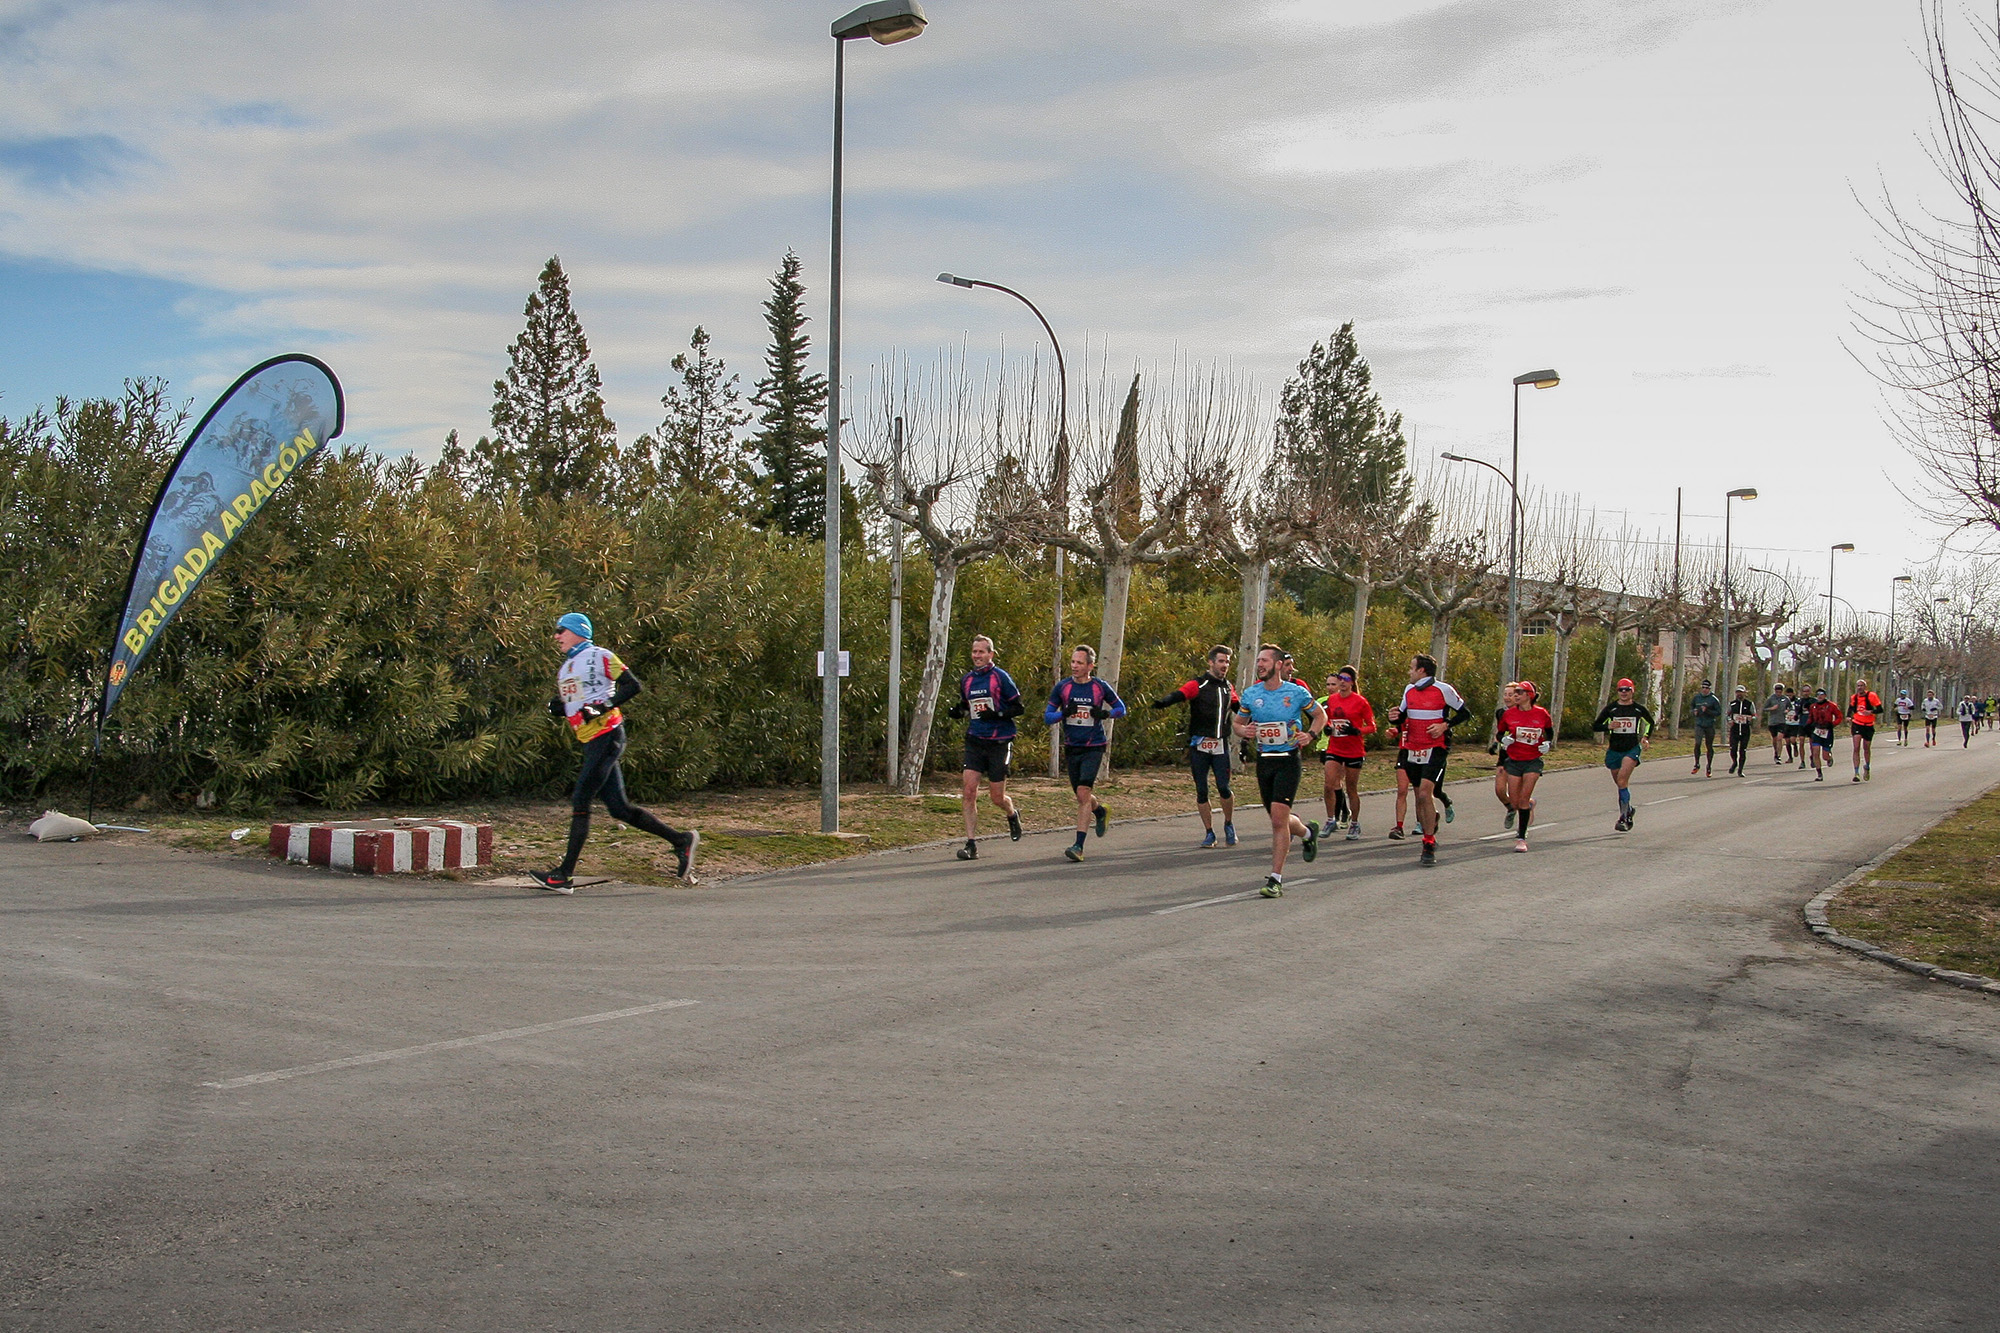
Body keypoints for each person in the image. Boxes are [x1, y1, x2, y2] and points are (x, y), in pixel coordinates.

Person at [532, 613, 699, 893]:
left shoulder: (600, 655)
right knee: (619, 809)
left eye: (561, 630)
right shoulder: (566, 668)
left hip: (607, 736)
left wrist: (605, 706)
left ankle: (563, 876)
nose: (556, 636)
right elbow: (577, 705)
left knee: (581, 799)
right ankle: (681, 841)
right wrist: (559, 708)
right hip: (591, 741)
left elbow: (633, 685)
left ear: (578, 632)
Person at [1233, 644, 1324, 896]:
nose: (1260, 664)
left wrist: (1311, 735)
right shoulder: (1251, 694)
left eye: (1264, 660)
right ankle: (1307, 832)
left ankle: (1275, 879)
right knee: (1280, 819)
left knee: (1277, 820)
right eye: (1258, 661)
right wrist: (1245, 731)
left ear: (1279, 665)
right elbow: (1238, 723)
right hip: (1264, 760)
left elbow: (1320, 715)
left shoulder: (1296, 693)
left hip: (1288, 760)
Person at [946, 635, 1025, 861]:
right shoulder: (967, 680)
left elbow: (1019, 708)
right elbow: (965, 706)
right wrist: (956, 712)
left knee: (996, 797)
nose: (977, 656)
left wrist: (997, 714)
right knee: (969, 791)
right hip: (975, 740)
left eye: (981, 652)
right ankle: (971, 844)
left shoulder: (1000, 678)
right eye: (974, 652)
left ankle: (1011, 813)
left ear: (991, 654)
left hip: (999, 741)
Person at [1152, 645, 1240, 848]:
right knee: (1202, 790)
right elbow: (1180, 694)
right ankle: (1209, 832)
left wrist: (1255, 715)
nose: (1224, 665)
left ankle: (1228, 823)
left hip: (1220, 744)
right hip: (1200, 745)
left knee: (1224, 787)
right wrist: (1162, 703)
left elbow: (1238, 707)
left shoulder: (1228, 686)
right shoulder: (1198, 684)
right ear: (1210, 662)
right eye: (1221, 661)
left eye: (1227, 662)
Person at [1044, 645, 1126, 862]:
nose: (1074, 666)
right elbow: (1048, 716)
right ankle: (1099, 811)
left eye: (1079, 663)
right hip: (1073, 747)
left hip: (1094, 745)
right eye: (1073, 662)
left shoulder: (1100, 687)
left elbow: (1121, 709)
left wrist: (1105, 714)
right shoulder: (1063, 688)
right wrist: (1064, 713)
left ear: (1090, 665)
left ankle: (1078, 845)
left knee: (1083, 793)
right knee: (1081, 796)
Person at [1398, 653, 1472, 867]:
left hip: (1436, 747)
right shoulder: (1409, 690)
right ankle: (1431, 824)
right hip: (1412, 747)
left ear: (1422, 670)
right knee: (1420, 797)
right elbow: (1402, 716)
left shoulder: (1444, 689)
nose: (1409, 671)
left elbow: (1464, 713)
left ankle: (1428, 843)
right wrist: (1394, 717)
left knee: (1424, 793)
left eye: (1412, 667)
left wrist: (1444, 725)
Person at [1316, 665, 1376, 842]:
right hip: (1335, 748)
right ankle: (1330, 819)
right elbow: (1325, 719)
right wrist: (1327, 728)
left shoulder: (1360, 701)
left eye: (1346, 680)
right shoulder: (1332, 700)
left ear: (1352, 683)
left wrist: (1356, 730)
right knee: (1329, 784)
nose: (1342, 682)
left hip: (1354, 750)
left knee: (1351, 789)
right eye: (1340, 679)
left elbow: (1372, 726)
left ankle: (1355, 823)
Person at [1497, 680, 1555, 852]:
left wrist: (1548, 744)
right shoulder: (1508, 715)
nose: (1515, 695)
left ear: (1529, 695)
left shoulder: (1541, 713)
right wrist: (1503, 740)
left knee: (1522, 798)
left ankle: (1521, 838)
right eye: (1515, 692)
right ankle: (1529, 805)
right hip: (1514, 760)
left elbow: (1549, 731)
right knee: (1515, 802)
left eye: (1520, 692)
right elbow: (1500, 732)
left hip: (1533, 761)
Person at [1592, 678, 1654, 831]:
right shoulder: (1611, 709)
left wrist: (1645, 738)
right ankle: (1629, 809)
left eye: (1627, 689)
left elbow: (1650, 722)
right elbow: (1595, 726)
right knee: (1620, 784)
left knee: (1621, 780)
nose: (1624, 692)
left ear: (1632, 691)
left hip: (1632, 749)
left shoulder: (1638, 709)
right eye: (1621, 690)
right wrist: (1608, 726)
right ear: (1617, 692)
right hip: (1614, 750)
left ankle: (1623, 818)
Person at [1489, 682, 1519, 829]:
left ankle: (1523, 828)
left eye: (1511, 695)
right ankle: (1511, 808)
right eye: (1505, 694)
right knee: (1499, 790)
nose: (1507, 697)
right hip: (1504, 754)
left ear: (1518, 696)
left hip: (1520, 755)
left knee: (1518, 795)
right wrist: (1495, 744)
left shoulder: (1524, 712)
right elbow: (1500, 732)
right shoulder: (1501, 712)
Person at [1846, 678, 1882, 782]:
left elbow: (1880, 709)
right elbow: (1851, 708)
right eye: (1858, 686)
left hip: (1869, 725)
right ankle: (1856, 772)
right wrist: (1848, 716)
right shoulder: (1854, 697)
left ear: (1865, 687)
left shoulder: (1872, 696)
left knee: (1866, 747)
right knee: (1856, 747)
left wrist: (1870, 712)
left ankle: (1867, 766)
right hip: (1857, 724)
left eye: (1861, 685)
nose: (1859, 688)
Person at [1688, 679, 1723, 776]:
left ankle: (1709, 767)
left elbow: (1718, 712)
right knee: (1697, 743)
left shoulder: (1713, 699)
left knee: (1709, 745)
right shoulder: (1697, 698)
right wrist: (1694, 711)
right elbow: (1691, 707)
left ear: (1710, 689)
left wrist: (1707, 711)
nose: (1704, 690)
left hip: (1709, 725)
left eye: (1707, 688)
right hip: (1699, 724)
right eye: (1703, 687)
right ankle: (1697, 764)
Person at [1806, 687, 1842, 780]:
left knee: (1825, 756)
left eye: (1821, 694)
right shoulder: (1813, 706)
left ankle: (1829, 758)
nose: (1819, 696)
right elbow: (1810, 717)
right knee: (1815, 751)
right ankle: (1819, 773)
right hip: (1817, 731)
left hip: (1827, 731)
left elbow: (1839, 716)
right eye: (1818, 695)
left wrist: (1833, 724)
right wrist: (1808, 725)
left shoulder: (1831, 705)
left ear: (1825, 696)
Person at [1725, 685, 1757, 776]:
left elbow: (1754, 715)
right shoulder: (1732, 704)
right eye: (1738, 692)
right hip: (1734, 729)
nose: (1739, 694)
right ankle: (1734, 762)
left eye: (1741, 692)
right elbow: (1727, 715)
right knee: (1733, 748)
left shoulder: (1749, 704)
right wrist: (1729, 720)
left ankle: (1740, 769)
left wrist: (1751, 718)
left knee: (1743, 750)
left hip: (1745, 730)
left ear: (1744, 693)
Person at [1763, 683, 1791, 764]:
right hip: (1772, 721)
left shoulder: (1785, 699)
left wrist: (1787, 710)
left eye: (1780, 691)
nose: (1778, 693)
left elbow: (1790, 707)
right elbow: (1764, 708)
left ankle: (1779, 755)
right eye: (1777, 691)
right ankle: (1776, 752)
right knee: (1775, 739)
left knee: (1779, 738)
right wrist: (1771, 708)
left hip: (1781, 721)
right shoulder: (1771, 698)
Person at [1785, 686, 1813, 767]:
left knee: (1812, 743)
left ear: (1810, 691)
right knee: (1801, 741)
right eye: (1804, 691)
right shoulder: (1800, 701)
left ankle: (1813, 757)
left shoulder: (1813, 701)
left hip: (1811, 724)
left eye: (1807, 691)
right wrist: (1797, 715)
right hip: (1802, 724)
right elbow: (1797, 711)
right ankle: (1802, 761)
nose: (1806, 693)